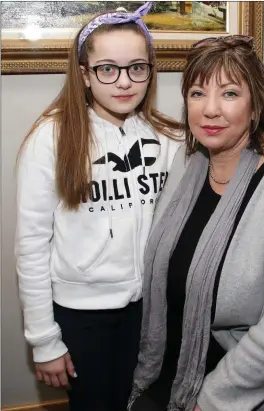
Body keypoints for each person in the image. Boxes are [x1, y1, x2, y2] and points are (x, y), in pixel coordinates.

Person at [129, 35, 264, 411]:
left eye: (229, 94)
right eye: (196, 93)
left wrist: (211, 400)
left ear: (255, 106)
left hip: (243, 382)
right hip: (169, 363)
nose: (209, 110)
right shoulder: (185, 165)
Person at [15, 3, 182, 411]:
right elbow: (32, 246)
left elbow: (233, 132)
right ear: (85, 74)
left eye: (137, 68)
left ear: (150, 71)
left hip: (150, 311)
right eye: (108, 68)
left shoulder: (166, 137)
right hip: (82, 317)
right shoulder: (51, 138)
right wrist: (44, 341)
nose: (124, 82)